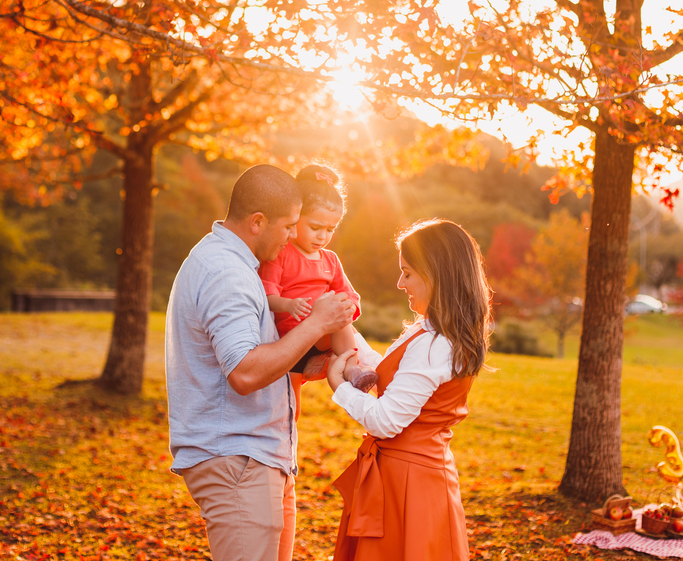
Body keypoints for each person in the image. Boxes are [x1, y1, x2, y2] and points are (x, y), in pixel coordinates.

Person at [164, 164, 356, 561]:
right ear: (257, 222)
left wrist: (318, 363)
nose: (293, 237)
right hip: (238, 459)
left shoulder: (235, 265)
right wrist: (318, 321)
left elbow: (263, 358)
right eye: (288, 226)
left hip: (260, 457)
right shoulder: (226, 273)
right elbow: (246, 371)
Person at [325, 219, 492, 561]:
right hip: (404, 477)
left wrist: (340, 387)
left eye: (408, 273)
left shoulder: (435, 343)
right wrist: (342, 328)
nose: (400, 283)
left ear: (437, 275)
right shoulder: (428, 331)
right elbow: (388, 371)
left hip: (409, 484)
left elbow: (386, 421)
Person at [260, 164, 377, 393]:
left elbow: (350, 293)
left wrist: (347, 305)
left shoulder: (330, 260)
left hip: (324, 335)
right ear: (295, 218)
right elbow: (267, 293)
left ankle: (351, 368)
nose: (323, 236)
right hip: (291, 339)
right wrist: (288, 304)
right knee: (290, 402)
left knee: (339, 312)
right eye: (315, 227)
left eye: (330, 229)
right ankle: (322, 365)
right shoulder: (281, 253)